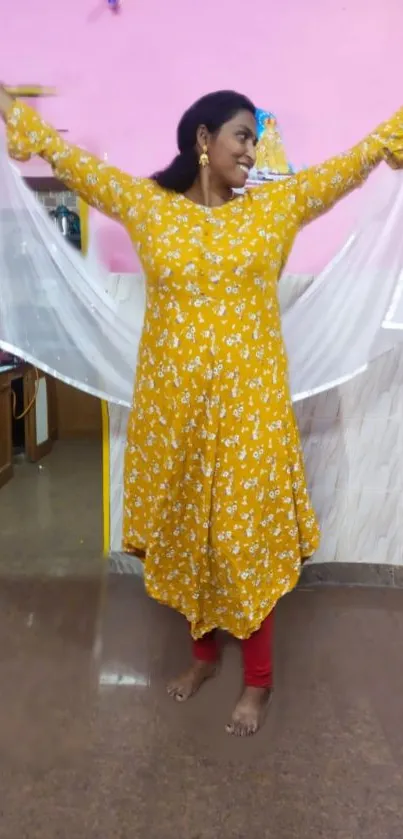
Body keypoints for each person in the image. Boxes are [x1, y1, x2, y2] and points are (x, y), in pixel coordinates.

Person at [1, 85, 402, 737]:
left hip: (251, 415)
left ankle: (259, 681)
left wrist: (389, 135)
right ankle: (203, 657)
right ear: (202, 139)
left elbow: (350, 165)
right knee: (191, 533)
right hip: (175, 413)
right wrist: (14, 116)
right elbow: (75, 167)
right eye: (241, 135)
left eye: (253, 137)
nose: (251, 150)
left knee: (247, 541)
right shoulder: (150, 206)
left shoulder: (277, 206)